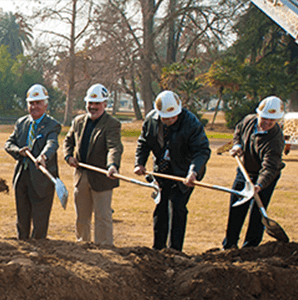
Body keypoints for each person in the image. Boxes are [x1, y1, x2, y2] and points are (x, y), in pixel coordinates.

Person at [134, 90, 210, 252]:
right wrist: (139, 163)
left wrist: (193, 172)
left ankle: (174, 250)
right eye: (165, 118)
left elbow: (202, 150)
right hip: (162, 171)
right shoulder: (151, 121)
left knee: (177, 207)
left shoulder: (191, 123)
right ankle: (158, 249)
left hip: (184, 173)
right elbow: (143, 143)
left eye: (173, 117)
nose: (169, 121)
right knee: (161, 208)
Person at [63, 84, 123, 245]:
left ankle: (104, 248)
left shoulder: (112, 124)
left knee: (102, 217)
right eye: (90, 103)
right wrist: (68, 156)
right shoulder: (78, 121)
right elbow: (68, 141)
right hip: (81, 176)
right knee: (82, 217)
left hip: (102, 178)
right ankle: (83, 246)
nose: (93, 107)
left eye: (97, 104)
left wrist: (112, 165)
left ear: (105, 104)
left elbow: (114, 147)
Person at [223, 96, 286, 249]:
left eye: (272, 120)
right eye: (264, 118)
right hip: (244, 172)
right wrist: (237, 145)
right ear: (258, 114)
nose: (267, 123)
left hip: (265, 178)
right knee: (236, 208)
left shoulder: (275, 140)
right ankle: (229, 246)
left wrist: (259, 185)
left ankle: (250, 249)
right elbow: (238, 131)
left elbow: (269, 167)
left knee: (258, 213)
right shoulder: (248, 121)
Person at [4, 84, 61, 240]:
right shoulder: (21, 123)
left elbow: (52, 143)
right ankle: (22, 245)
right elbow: (9, 144)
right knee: (22, 218)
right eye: (31, 103)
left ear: (46, 104)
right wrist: (18, 151)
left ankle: (39, 249)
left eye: (38, 103)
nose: (34, 106)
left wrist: (43, 157)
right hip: (22, 177)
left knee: (40, 220)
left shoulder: (52, 124)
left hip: (42, 180)